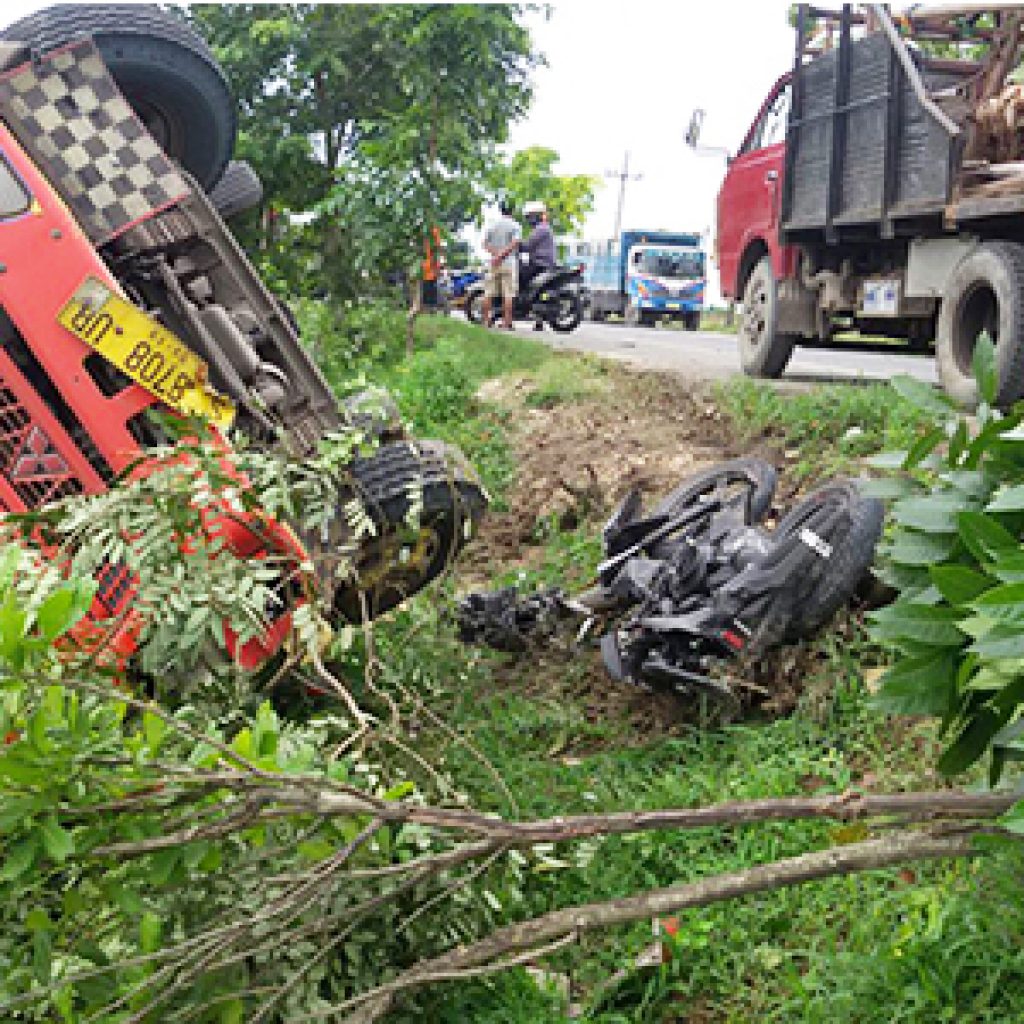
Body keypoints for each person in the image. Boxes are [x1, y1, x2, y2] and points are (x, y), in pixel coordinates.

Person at [482, 198, 520, 330]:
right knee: (508, 294)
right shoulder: (515, 225)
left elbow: (485, 244)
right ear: (512, 210)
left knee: (488, 293)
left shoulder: (492, 225)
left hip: (493, 263)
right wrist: (502, 255)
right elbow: (515, 243)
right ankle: (506, 323)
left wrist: (495, 254)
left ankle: (486, 321)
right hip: (508, 262)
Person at [520, 201, 556, 329]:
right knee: (537, 291)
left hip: (540, 263)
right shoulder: (545, 228)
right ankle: (537, 318)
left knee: (520, 279)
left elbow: (527, 245)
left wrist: (515, 245)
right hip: (545, 263)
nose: (529, 220)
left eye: (529, 217)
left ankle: (521, 304)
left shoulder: (541, 229)